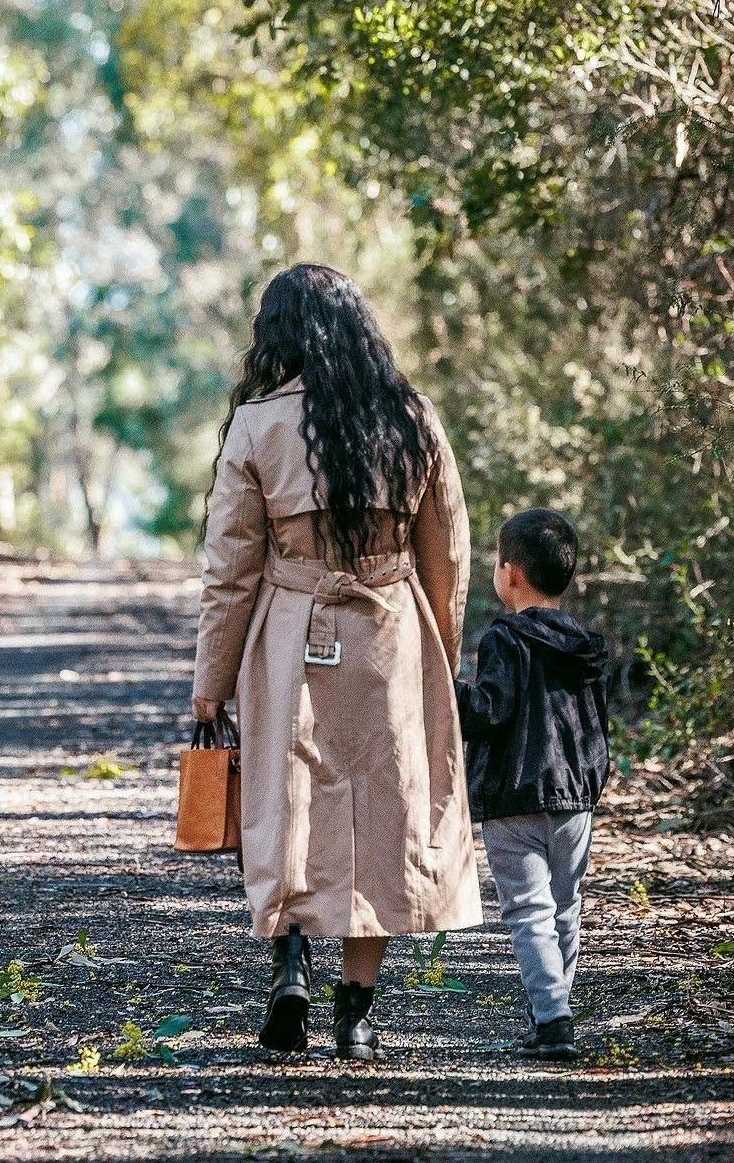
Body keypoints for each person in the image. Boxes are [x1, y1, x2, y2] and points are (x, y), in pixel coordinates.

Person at [192, 263, 482, 1061]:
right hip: (392, 634)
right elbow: (448, 555)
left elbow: (230, 570)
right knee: (384, 814)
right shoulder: (415, 418)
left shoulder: (258, 426)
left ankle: (290, 966)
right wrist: (440, 657)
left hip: (292, 630)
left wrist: (210, 685)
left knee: (289, 802)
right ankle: (356, 1011)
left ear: (276, 335)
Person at [458, 508, 610, 1060]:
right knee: (564, 907)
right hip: (575, 800)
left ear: (511, 574)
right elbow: (595, 724)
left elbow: (490, 712)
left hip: (515, 796)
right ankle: (554, 1009)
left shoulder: (505, 639)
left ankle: (551, 1019)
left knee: (527, 910)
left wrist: (447, 693)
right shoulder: (583, 645)